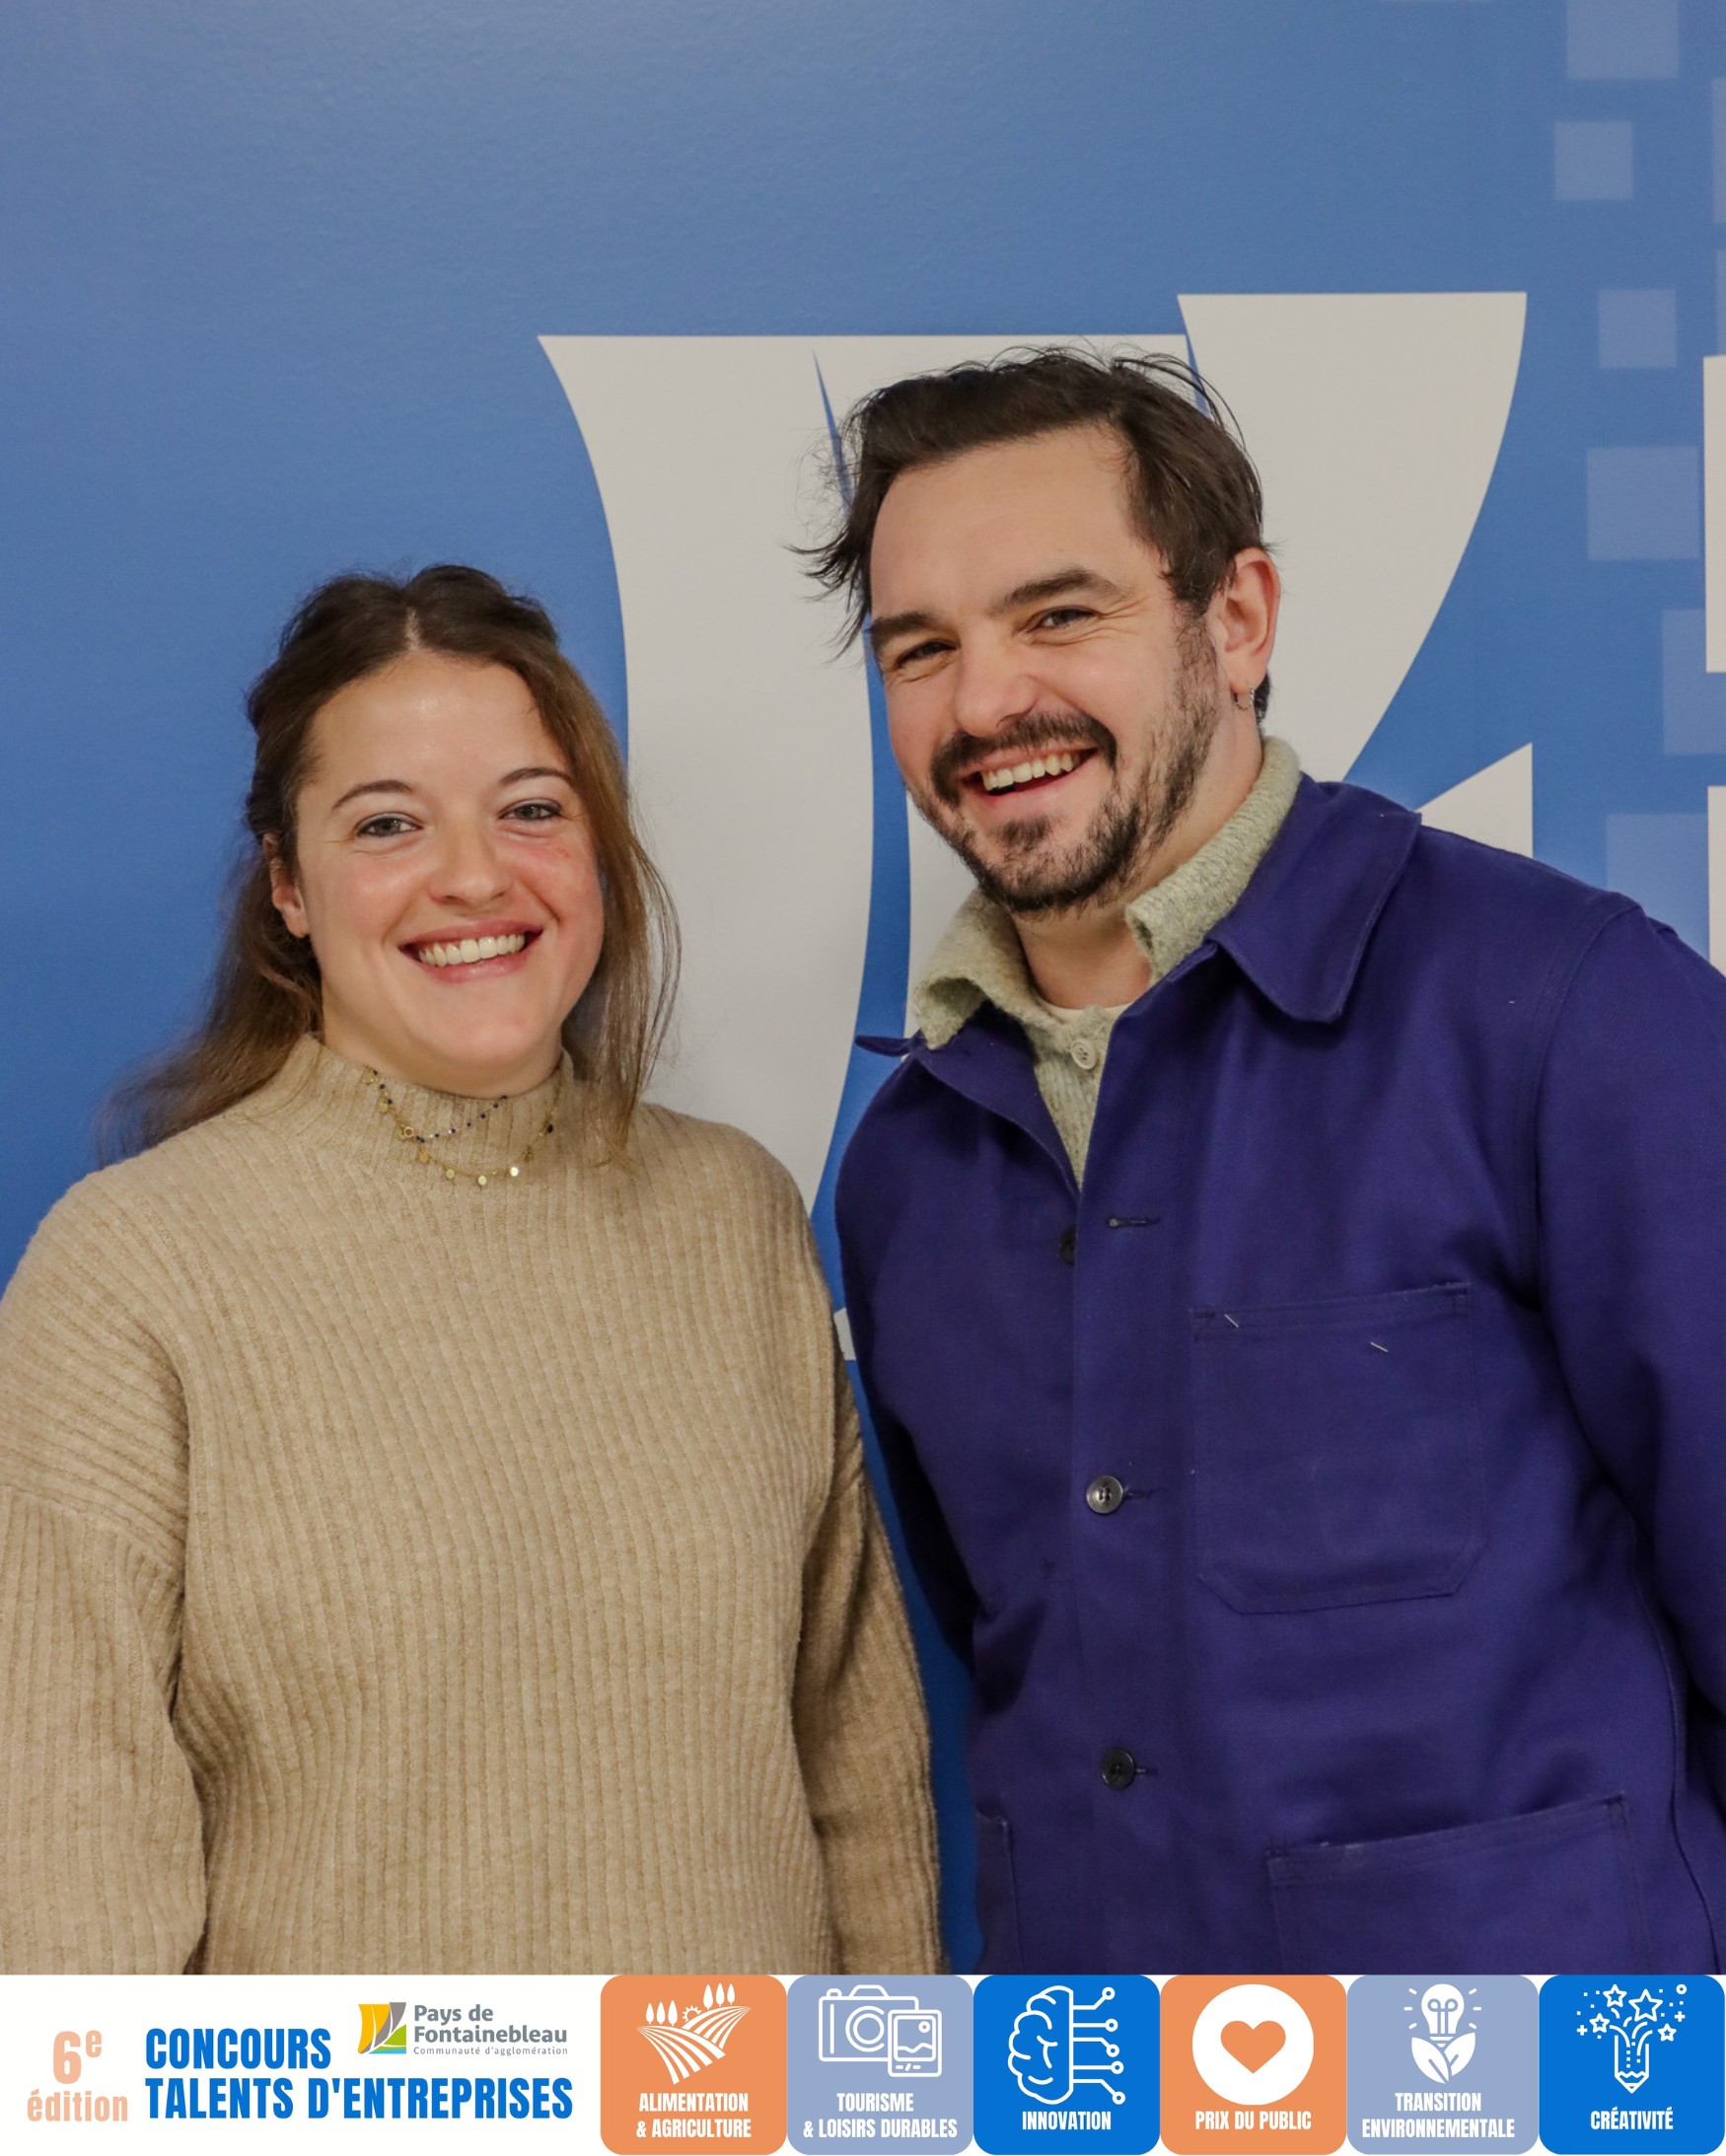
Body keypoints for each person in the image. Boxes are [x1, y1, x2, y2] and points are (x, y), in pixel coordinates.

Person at [815, 347, 1725, 1975]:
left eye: (1057, 615)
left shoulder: (1559, 1012)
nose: (984, 703)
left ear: (1234, 619)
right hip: (1094, 2071)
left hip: (1548, 2076)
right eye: (920, 648)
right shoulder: (911, 1166)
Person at [0, 564, 939, 1975]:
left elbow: (858, 1779)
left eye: (532, 808)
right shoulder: (133, 1273)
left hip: (743, 2091)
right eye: (387, 823)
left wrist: (886, 2085)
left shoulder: (735, 1219)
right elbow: (68, 1875)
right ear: (288, 886)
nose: (477, 876)